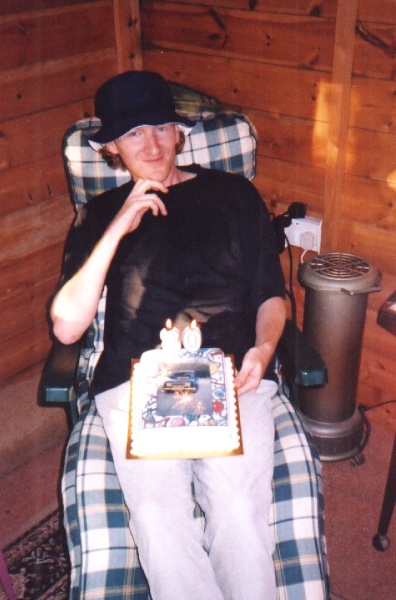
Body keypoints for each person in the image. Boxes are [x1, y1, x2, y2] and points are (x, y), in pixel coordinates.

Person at [51, 71, 286, 599]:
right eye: (133, 133)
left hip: (231, 377)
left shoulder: (233, 195)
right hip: (136, 384)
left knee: (237, 510)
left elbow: (273, 295)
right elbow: (66, 325)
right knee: (159, 518)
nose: (152, 144)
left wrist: (264, 349)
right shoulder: (99, 215)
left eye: (161, 127)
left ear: (180, 133)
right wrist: (120, 226)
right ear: (110, 147)